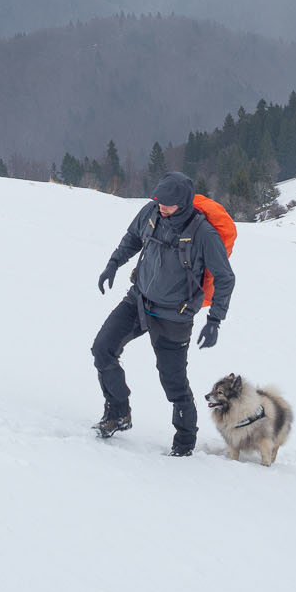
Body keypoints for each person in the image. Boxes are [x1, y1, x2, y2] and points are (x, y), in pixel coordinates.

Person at [92, 171, 235, 456]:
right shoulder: (152, 213)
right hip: (139, 300)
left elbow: (225, 277)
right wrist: (113, 264)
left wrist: (215, 320)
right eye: (159, 202)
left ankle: (184, 442)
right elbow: (133, 238)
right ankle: (119, 412)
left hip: (174, 315)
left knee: (173, 382)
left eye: (168, 204)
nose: (162, 207)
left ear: (183, 203)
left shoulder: (203, 233)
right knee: (103, 349)